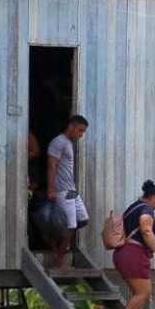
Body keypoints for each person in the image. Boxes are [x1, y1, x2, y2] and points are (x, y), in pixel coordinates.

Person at [114, 180, 155, 309]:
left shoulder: (134, 207)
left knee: (138, 294)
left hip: (123, 253)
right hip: (133, 254)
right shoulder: (146, 209)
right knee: (144, 293)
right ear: (153, 197)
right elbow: (146, 230)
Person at [47, 115, 90, 269]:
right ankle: (59, 261)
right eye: (80, 130)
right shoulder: (59, 142)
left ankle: (56, 239)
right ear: (71, 126)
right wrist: (51, 189)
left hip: (71, 190)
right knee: (71, 226)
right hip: (62, 191)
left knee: (83, 220)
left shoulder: (68, 143)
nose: (81, 135)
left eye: (83, 132)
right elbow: (52, 166)